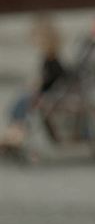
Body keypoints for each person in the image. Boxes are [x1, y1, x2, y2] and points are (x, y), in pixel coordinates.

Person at [0, 16, 65, 159]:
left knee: (23, 102)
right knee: (20, 103)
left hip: (47, 96)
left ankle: (15, 135)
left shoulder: (53, 62)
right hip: (42, 94)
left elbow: (51, 81)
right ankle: (14, 133)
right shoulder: (48, 60)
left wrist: (38, 86)